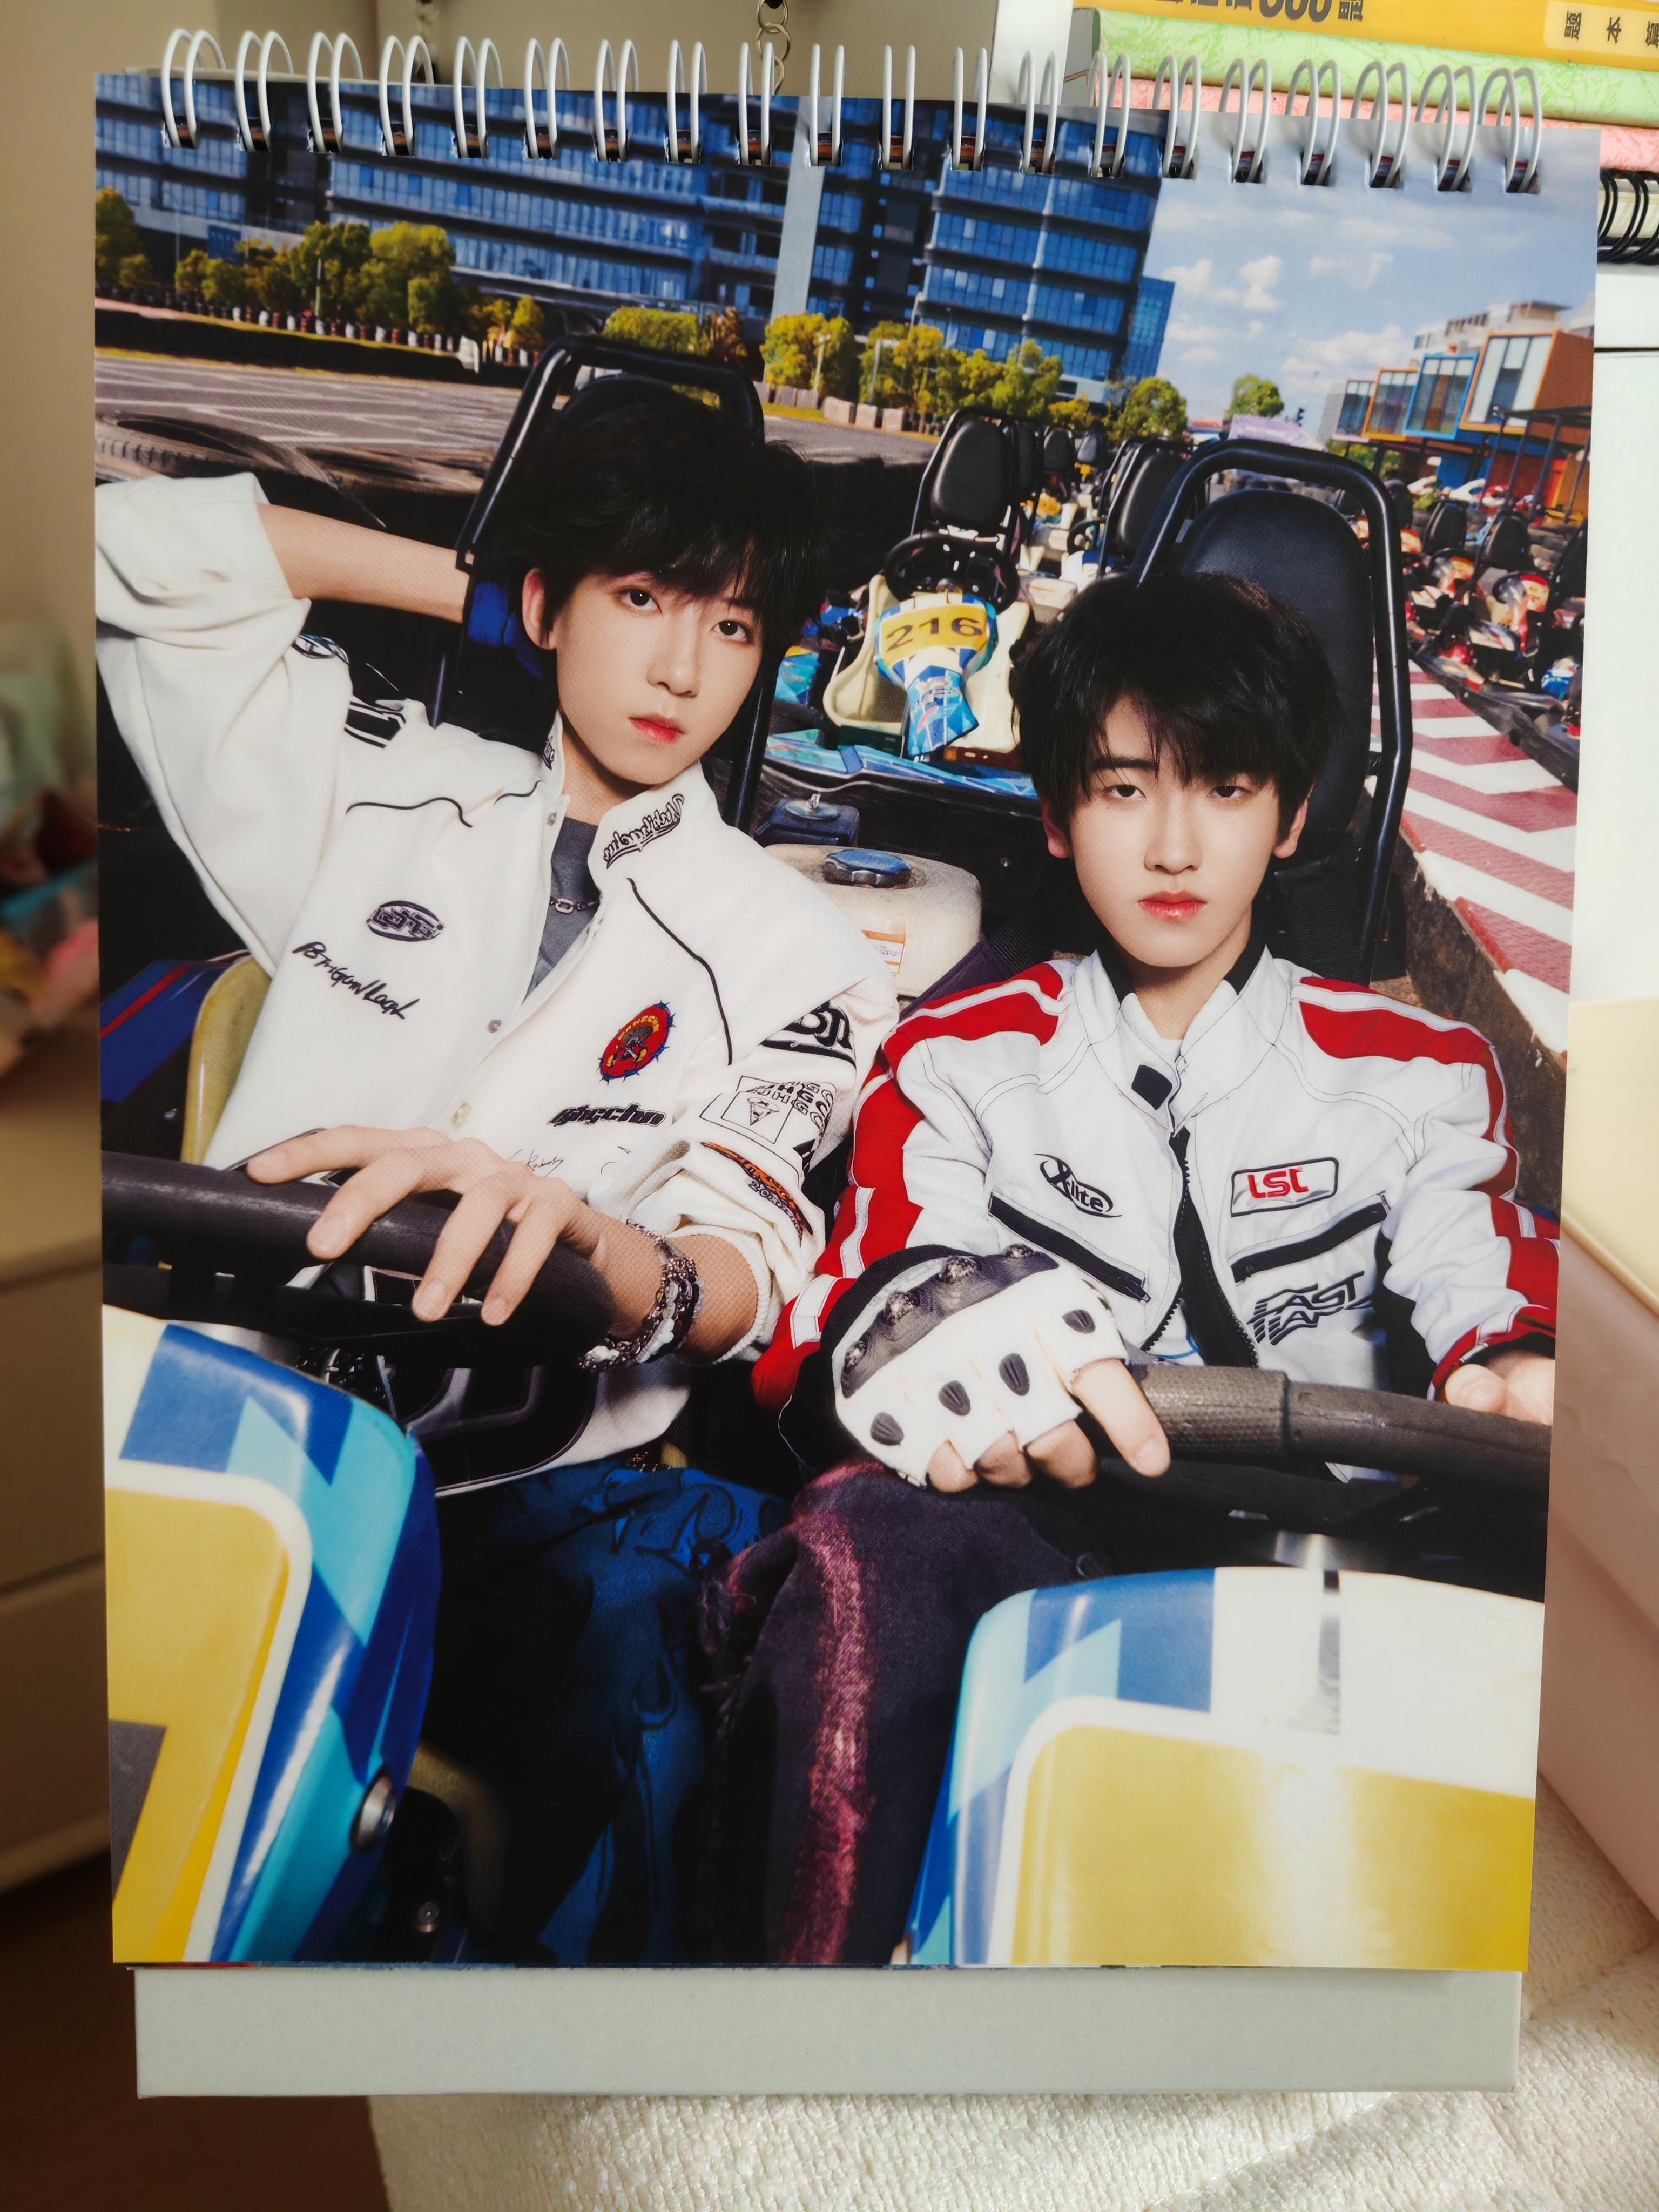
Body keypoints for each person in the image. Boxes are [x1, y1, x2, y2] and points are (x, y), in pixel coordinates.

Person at [95, 379, 898, 1960]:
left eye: (733, 625)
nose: (681, 667)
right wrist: (471, 585)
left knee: (663, 1644)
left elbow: (739, 1276)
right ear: (551, 605)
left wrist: (594, 1241)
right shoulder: (371, 783)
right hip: (237, 1428)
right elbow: (114, 548)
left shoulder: (799, 947)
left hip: (535, 1510)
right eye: (641, 596)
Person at [701, 569, 1557, 1965]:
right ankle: (809, 2036)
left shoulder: (1420, 1072)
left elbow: (1487, 1267)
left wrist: (1516, 1365)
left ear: (1290, 817)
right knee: (870, 1534)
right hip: (1049, 1551)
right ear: (1056, 816)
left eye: (1225, 788)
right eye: (1121, 789)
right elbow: (872, 1285)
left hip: (1363, 1562)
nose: (1172, 845)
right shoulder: (959, 1059)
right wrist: (927, 1326)